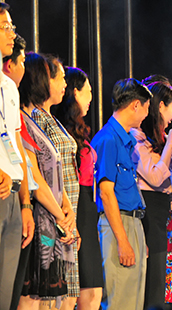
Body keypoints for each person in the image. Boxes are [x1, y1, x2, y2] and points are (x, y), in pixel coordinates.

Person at [16, 52, 76, 310]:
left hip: (52, 218)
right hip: (40, 218)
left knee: (48, 302)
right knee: (32, 300)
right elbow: (36, 177)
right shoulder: (24, 119)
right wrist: (61, 215)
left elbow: (55, 170)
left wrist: (67, 208)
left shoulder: (34, 119)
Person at [130, 81, 172, 308]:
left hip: (160, 219)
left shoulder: (157, 142)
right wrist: (169, 144)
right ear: (160, 107)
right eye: (171, 110)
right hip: (146, 216)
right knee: (151, 288)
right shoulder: (137, 137)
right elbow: (155, 177)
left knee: (159, 287)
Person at [91, 78, 152, 310]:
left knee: (133, 299)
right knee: (119, 300)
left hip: (131, 223)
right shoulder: (109, 139)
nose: (146, 114)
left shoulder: (124, 140)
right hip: (118, 225)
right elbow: (106, 193)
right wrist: (123, 240)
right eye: (146, 108)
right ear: (136, 105)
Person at [30, 54, 81, 310]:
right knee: (51, 299)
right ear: (44, 79)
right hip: (52, 217)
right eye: (60, 77)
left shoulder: (52, 119)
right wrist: (62, 216)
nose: (64, 84)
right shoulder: (36, 118)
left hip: (65, 215)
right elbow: (43, 172)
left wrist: (70, 217)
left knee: (67, 297)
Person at [53, 67, 104, 309]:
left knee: (93, 291)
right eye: (88, 91)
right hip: (75, 205)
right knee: (80, 293)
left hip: (88, 208)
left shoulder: (78, 129)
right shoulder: (61, 130)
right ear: (75, 92)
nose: (92, 97)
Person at [0, 4, 34, 309]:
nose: (13, 33)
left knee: (4, 293)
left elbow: (16, 146)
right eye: (6, 27)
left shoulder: (9, 87)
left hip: (12, 195)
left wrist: (25, 203)